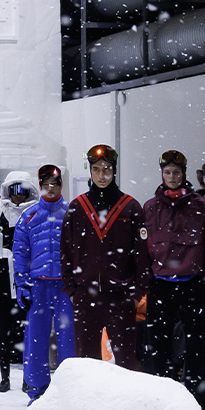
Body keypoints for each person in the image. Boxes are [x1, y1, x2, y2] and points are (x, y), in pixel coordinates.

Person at [62, 144, 150, 370]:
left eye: (107, 169)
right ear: (90, 171)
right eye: (97, 169)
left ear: (115, 170)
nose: (102, 175)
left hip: (121, 298)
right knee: (87, 367)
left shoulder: (130, 207)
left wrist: (136, 294)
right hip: (85, 297)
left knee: (126, 366)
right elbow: (65, 252)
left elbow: (142, 255)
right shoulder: (77, 207)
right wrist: (72, 291)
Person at [144, 150, 205, 410]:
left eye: (176, 172)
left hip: (193, 283)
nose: (172, 177)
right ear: (161, 174)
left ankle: (198, 408)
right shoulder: (150, 207)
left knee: (198, 348)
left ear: (184, 173)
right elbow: (142, 248)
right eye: (167, 172)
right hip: (160, 283)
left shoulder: (201, 206)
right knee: (158, 348)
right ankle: (163, 406)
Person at [14, 164, 74, 400]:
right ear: (40, 186)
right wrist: (22, 284)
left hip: (65, 286)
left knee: (68, 338)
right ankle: (37, 391)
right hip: (38, 286)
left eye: (55, 184)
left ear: (61, 186)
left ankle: (69, 390)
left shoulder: (71, 213)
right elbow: (20, 252)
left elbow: (80, 251)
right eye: (46, 184)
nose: (50, 188)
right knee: (35, 340)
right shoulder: (28, 216)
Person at [0, 171, 34, 392]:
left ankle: (27, 377)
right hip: (4, 276)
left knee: (27, 330)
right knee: (4, 329)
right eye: (14, 190)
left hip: (26, 276)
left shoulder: (34, 213)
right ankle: (5, 377)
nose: (18, 195)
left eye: (22, 190)